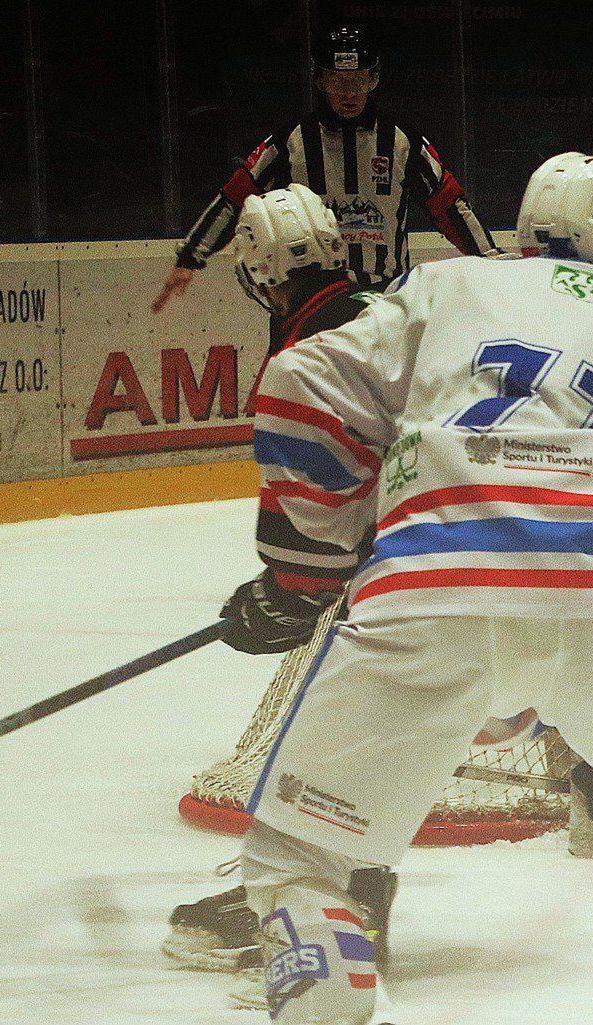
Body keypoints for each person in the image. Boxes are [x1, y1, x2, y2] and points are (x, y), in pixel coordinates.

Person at [217, 153, 593, 1025]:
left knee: (296, 860)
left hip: (430, 594)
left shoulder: (440, 289)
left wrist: (316, 559)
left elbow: (297, 389)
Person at [159, 184, 400, 983]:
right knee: (373, 731)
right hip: (481, 544)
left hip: (406, 578)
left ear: (260, 272)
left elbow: (304, 552)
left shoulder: (304, 353)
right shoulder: (395, 301)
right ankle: (350, 893)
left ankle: (326, 905)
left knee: (330, 732)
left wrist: (276, 600)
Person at [151, 24, 496, 315]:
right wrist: (190, 257)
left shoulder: (402, 141)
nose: (349, 93)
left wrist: (490, 259)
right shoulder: (289, 142)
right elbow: (235, 199)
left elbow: (449, 203)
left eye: (359, 80)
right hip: (312, 298)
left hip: (387, 299)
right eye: (337, 81)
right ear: (319, 81)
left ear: (373, 79)